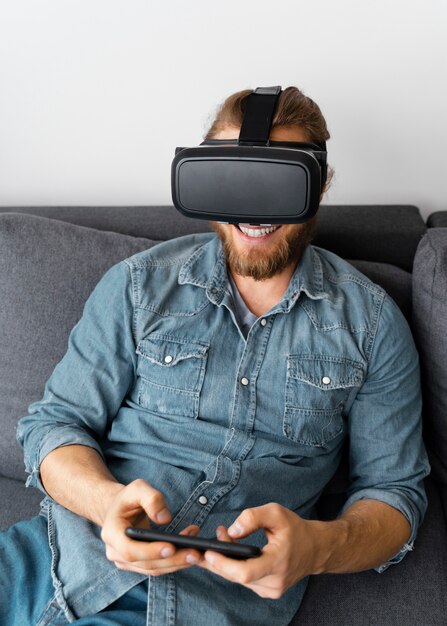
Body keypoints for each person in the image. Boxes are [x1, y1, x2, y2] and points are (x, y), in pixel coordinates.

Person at [1, 86, 430, 626]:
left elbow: (394, 493)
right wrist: (106, 503)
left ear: (318, 187)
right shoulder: (139, 286)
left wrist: (317, 547)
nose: (252, 211)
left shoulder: (371, 326)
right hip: (49, 553)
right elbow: (54, 424)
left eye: (276, 183)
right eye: (232, 179)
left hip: (197, 604)